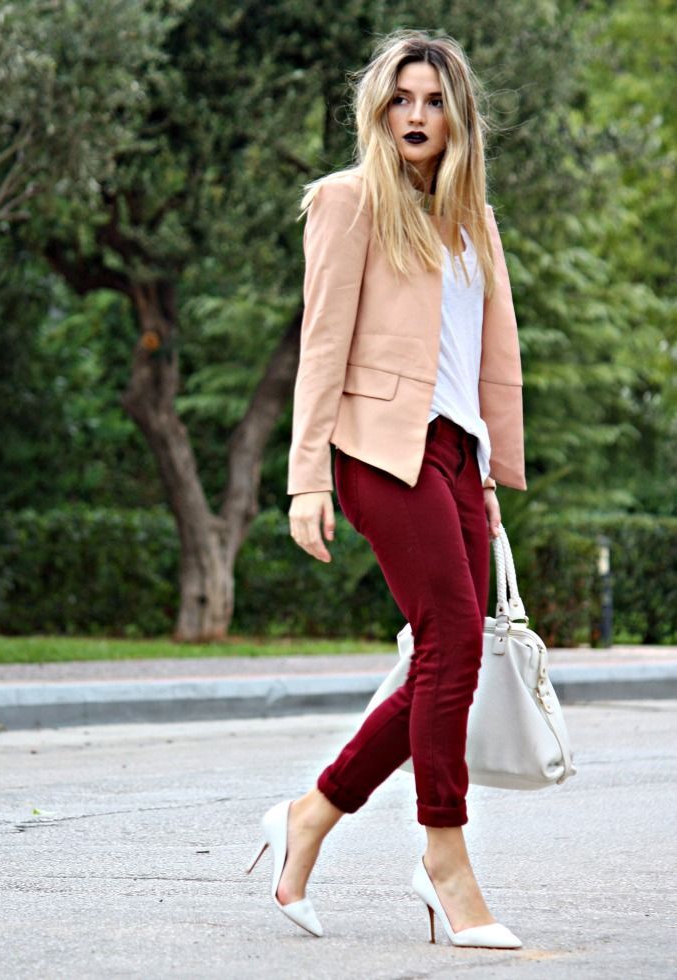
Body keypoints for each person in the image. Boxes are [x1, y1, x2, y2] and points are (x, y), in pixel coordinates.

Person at [245, 29, 527, 950]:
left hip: (454, 456)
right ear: (380, 110)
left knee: (451, 655)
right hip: (377, 450)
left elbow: (476, 359)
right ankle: (444, 855)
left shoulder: (471, 219)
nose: (416, 115)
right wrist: (305, 479)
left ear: (458, 118)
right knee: (450, 637)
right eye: (402, 98)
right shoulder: (347, 201)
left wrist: (483, 471)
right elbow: (320, 343)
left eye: (434, 100)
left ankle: (310, 817)